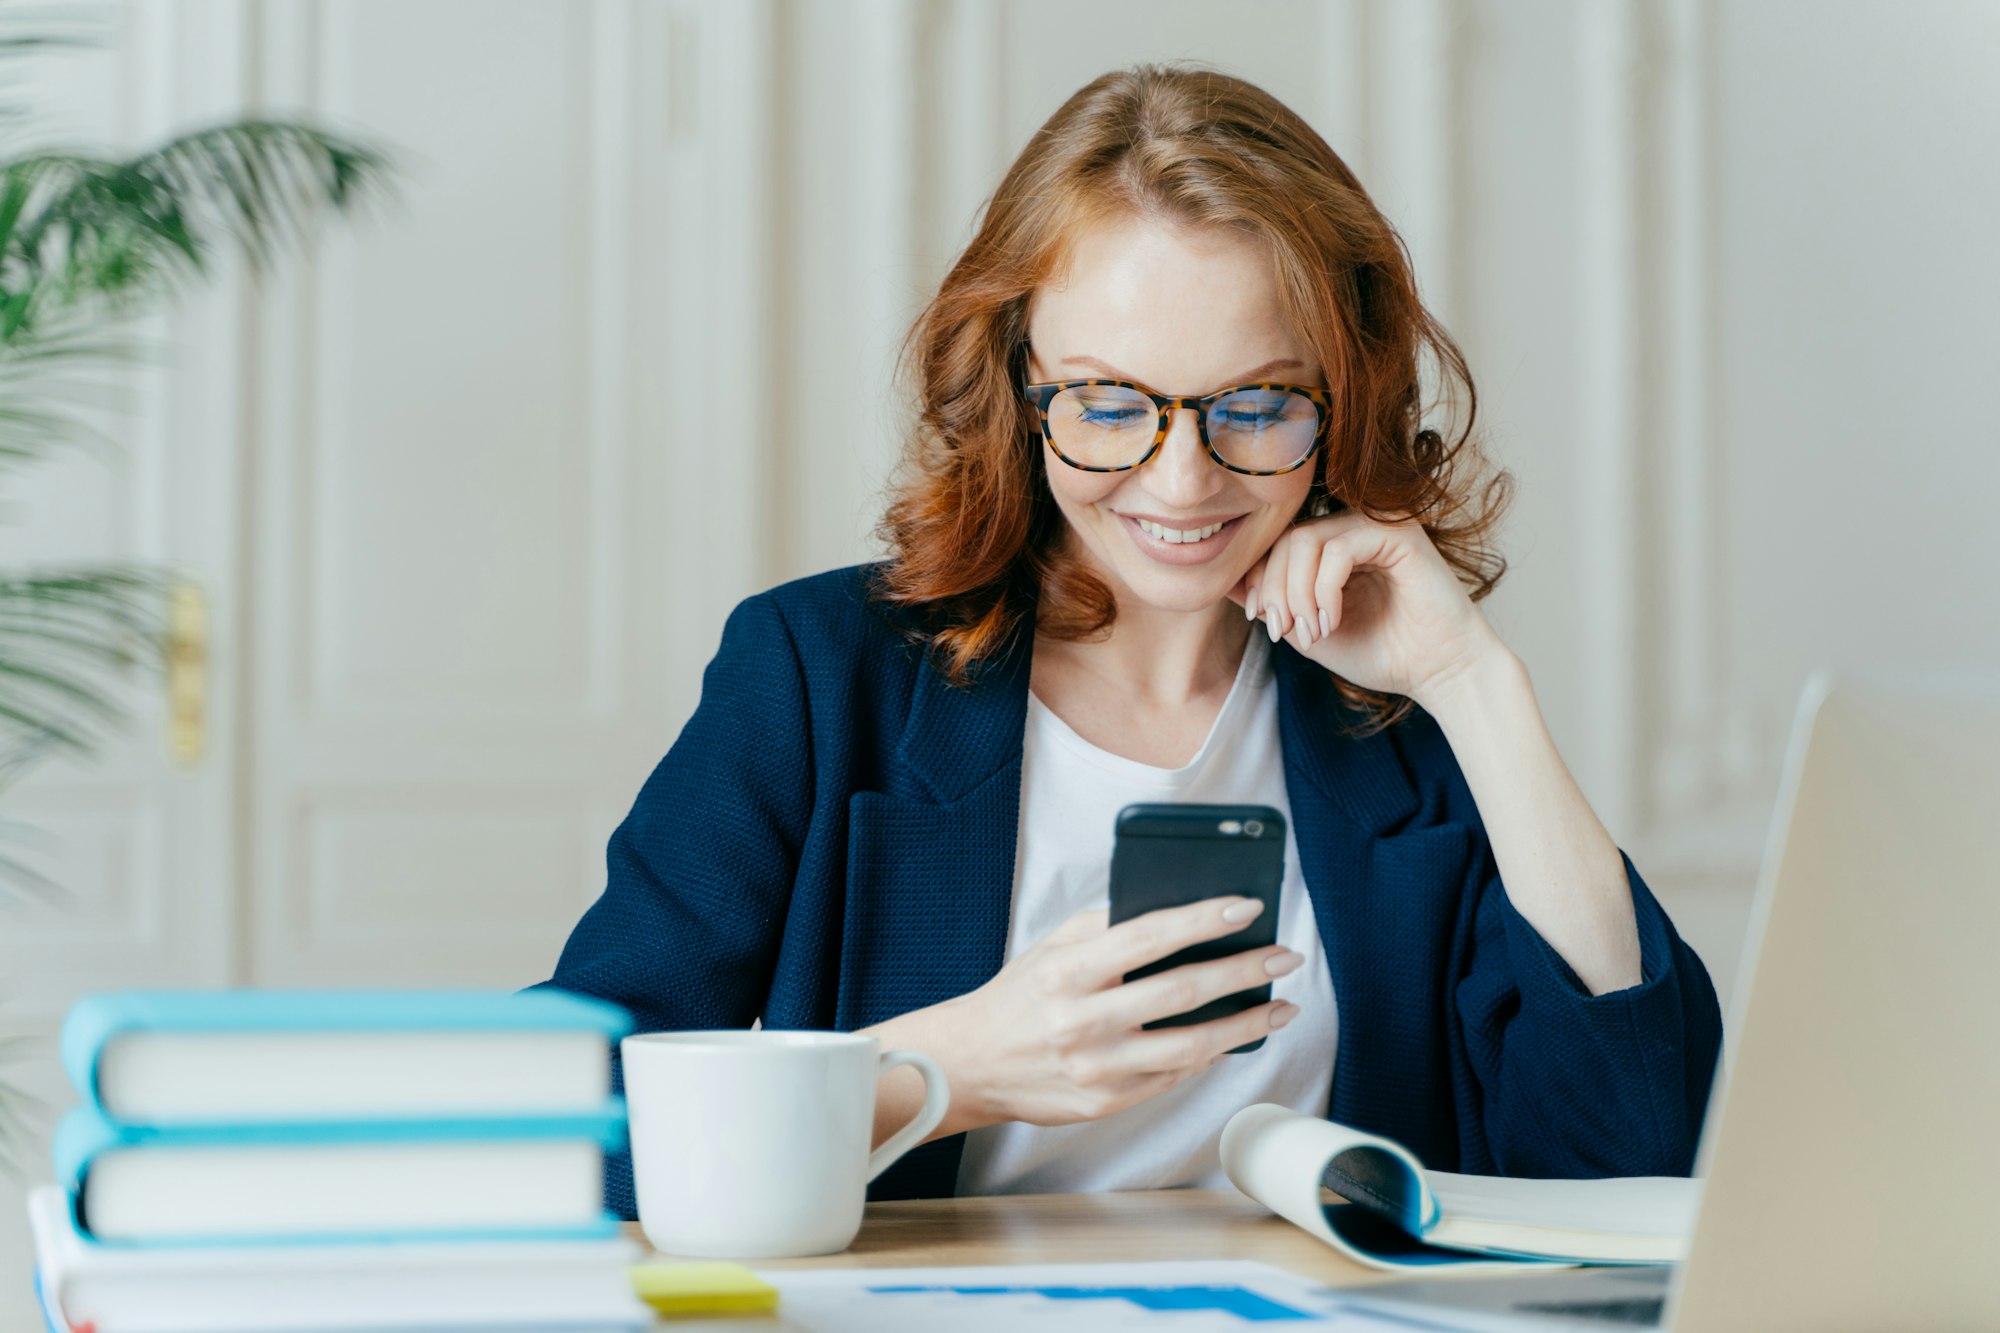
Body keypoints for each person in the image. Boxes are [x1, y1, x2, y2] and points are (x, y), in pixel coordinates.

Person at [537, 62, 1722, 1217]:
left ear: (1341, 397)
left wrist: (1472, 682)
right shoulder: (813, 674)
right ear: (1016, 386)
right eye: (1107, 404)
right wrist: (943, 1072)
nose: (1181, 479)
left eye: (1255, 404)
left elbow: (1627, 1159)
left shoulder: (1394, 720)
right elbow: (565, 1131)